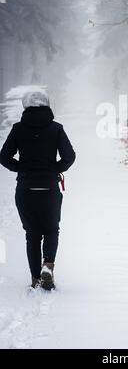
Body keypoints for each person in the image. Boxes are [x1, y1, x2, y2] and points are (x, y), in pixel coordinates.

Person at [0, 91, 76, 290]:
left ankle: (35, 279)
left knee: (32, 235)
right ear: (47, 105)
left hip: (25, 190)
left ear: (25, 106)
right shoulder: (56, 129)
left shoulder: (17, 130)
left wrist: (22, 169)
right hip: (49, 188)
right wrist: (54, 169)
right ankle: (48, 265)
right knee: (51, 229)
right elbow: (69, 156)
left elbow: (4, 157)